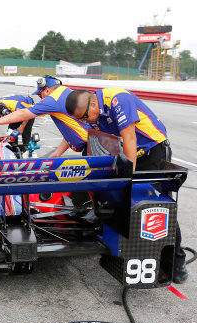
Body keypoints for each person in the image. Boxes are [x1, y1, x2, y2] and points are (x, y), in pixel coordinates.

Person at [65, 88, 188, 284]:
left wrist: (127, 179)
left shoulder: (117, 99)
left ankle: (176, 261)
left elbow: (129, 137)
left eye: (85, 117)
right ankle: (119, 250)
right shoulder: (92, 112)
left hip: (150, 151)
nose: (85, 122)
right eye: (81, 119)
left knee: (155, 207)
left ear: (93, 105)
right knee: (114, 198)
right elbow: (99, 141)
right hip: (126, 153)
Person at [0, 75, 89, 157]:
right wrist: (58, 153)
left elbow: (23, 113)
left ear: (47, 90)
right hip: (94, 139)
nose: (41, 98)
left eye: (40, 94)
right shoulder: (66, 91)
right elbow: (71, 128)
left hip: (90, 147)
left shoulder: (52, 100)